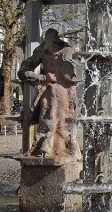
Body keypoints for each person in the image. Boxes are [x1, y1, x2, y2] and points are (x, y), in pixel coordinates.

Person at [18, 28, 82, 159]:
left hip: (67, 92)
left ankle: (65, 148)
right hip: (49, 91)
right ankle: (45, 148)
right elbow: (23, 71)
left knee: (66, 123)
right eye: (49, 43)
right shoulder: (41, 50)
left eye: (54, 44)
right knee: (48, 119)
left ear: (58, 42)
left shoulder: (68, 50)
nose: (52, 48)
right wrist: (41, 78)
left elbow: (78, 73)